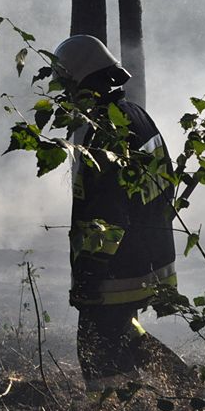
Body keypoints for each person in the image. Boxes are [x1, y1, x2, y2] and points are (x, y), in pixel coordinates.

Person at [53, 35, 177, 392]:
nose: (64, 96)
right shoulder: (138, 116)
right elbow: (166, 186)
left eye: (68, 86)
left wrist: (92, 269)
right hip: (147, 260)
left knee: (97, 350)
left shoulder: (103, 133)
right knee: (124, 332)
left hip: (115, 269)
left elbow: (106, 214)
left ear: (84, 83)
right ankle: (186, 386)